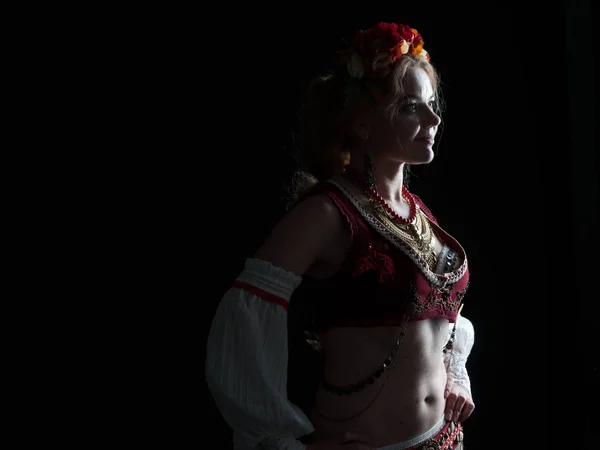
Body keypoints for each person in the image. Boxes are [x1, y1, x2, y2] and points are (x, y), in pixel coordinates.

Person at [206, 21, 476, 450]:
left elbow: (438, 322)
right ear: (364, 124)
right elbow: (246, 316)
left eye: (430, 103)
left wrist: (454, 374)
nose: (433, 117)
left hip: (446, 439)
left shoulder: (418, 213)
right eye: (410, 107)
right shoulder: (328, 214)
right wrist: (279, 440)